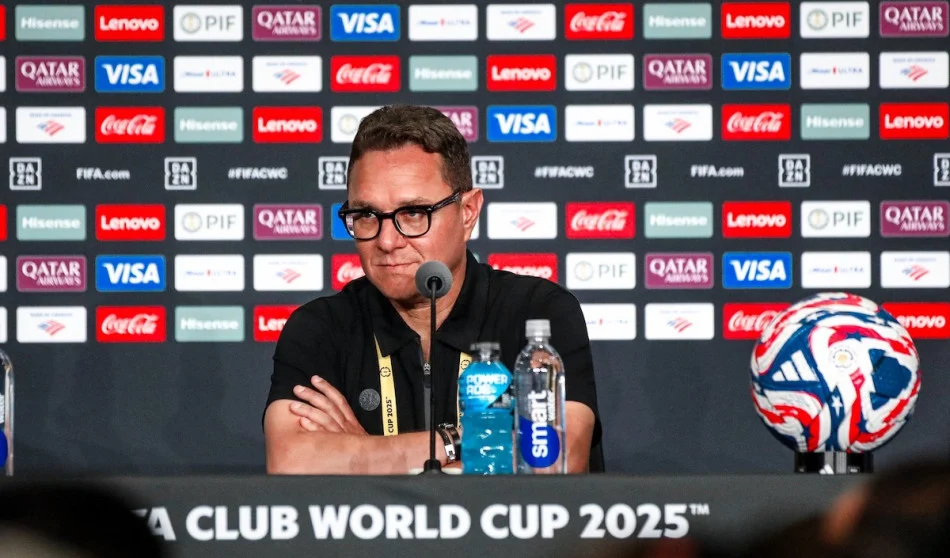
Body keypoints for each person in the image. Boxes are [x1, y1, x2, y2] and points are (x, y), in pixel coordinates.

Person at [263, 104, 602, 475]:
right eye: (366, 215)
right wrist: (460, 443)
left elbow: (554, 459)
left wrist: (363, 455)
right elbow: (290, 461)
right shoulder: (320, 328)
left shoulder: (538, 314)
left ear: (468, 212)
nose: (387, 241)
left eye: (413, 214)